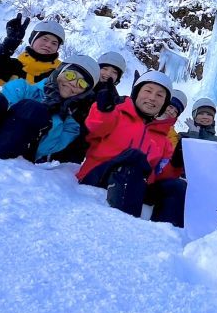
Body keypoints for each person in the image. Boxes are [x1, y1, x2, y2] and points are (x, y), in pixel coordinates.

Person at [0, 55, 98, 162]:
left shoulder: (71, 125)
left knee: (34, 110)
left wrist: (53, 115)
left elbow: (43, 149)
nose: (72, 83)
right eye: (70, 75)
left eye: (82, 83)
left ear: (84, 92)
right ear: (59, 73)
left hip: (13, 155)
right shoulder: (22, 87)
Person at [77, 70, 186, 228]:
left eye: (160, 95)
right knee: (134, 158)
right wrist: (103, 110)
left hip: (137, 184)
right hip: (98, 176)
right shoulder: (116, 114)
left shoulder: (163, 139)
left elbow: (161, 175)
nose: (152, 98)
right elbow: (95, 128)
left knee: (178, 186)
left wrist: (175, 164)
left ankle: (165, 237)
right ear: (136, 93)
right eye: (148, 91)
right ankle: (126, 230)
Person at [0, 14, 65, 85]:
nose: (48, 45)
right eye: (44, 39)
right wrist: (8, 45)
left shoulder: (61, 71)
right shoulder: (16, 65)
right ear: (33, 40)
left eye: (54, 43)